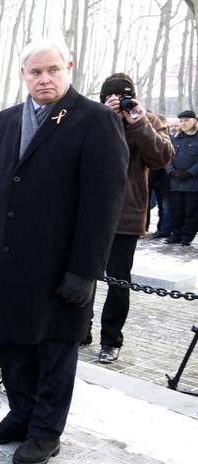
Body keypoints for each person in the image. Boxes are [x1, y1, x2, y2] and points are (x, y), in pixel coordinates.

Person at [0, 38, 128, 464]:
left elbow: (104, 202)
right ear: (23, 74)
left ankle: (45, 432)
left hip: (61, 264)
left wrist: (85, 270)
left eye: (52, 70)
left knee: (55, 350)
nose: (44, 79)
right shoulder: (6, 121)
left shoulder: (95, 121)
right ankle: (21, 415)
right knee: (14, 344)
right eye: (35, 71)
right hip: (10, 258)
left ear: (69, 68)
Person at [91, 73, 174, 363]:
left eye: (123, 96)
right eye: (110, 97)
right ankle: (79, 330)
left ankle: (111, 340)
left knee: (118, 282)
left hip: (126, 215)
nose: (118, 102)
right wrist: (105, 117)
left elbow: (162, 157)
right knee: (82, 274)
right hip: (90, 212)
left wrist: (137, 122)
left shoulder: (149, 120)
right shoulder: (94, 118)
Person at [165, 110, 198, 246]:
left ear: (194, 121)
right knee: (176, 210)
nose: (183, 123)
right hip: (175, 182)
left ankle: (187, 236)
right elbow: (167, 156)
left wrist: (190, 173)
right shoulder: (175, 138)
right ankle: (176, 234)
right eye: (181, 121)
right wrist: (171, 171)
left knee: (191, 211)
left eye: (187, 120)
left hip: (193, 182)